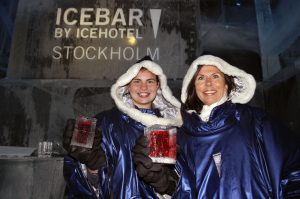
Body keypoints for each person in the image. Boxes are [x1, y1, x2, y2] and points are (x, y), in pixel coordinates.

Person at [173, 54, 300, 198]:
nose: (208, 83)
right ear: (193, 86)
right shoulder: (182, 137)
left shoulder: (256, 121)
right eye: (201, 78)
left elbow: (294, 164)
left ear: (227, 84)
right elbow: (180, 188)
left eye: (215, 76)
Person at [63, 56, 183, 199]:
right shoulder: (104, 122)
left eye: (150, 81)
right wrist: (92, 167)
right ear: (127, 85)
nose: (143, 87)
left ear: (158, 85)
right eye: (136, 81)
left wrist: (165, 184)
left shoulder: (169, 128)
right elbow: (76, 180)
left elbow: (185, 183)